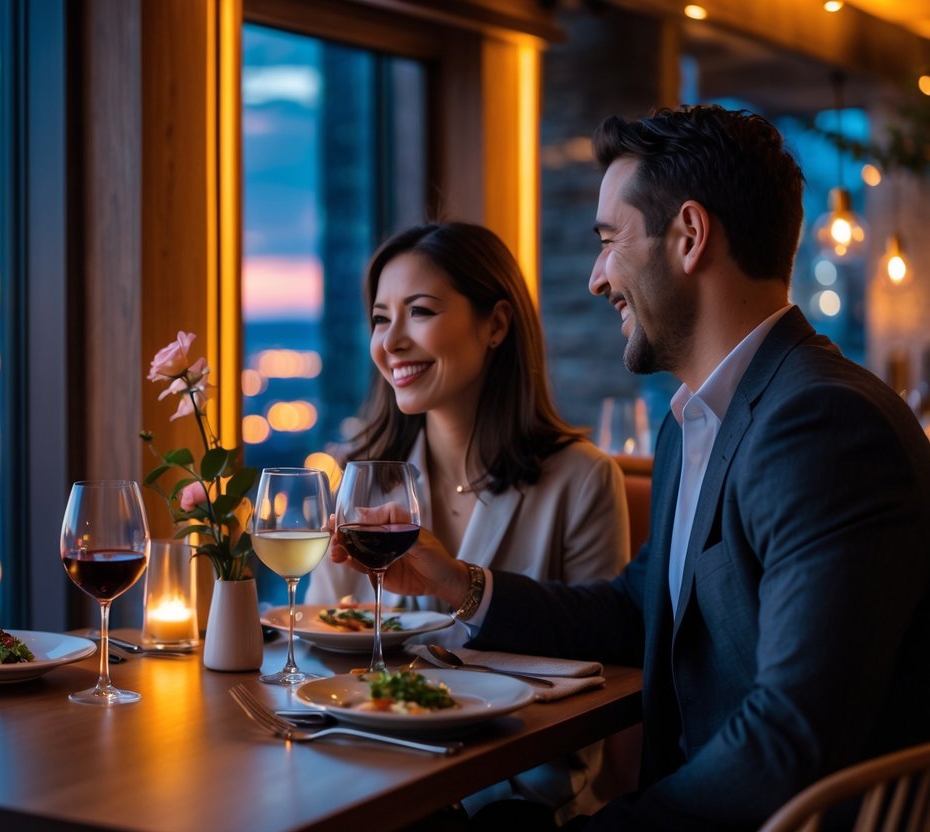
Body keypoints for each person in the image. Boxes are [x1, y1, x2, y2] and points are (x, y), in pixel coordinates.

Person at [329, 106, 930, 830]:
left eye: (610, 242)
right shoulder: (700, 421)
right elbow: (636, 611)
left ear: (688, 236)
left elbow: (789, 736)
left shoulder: (821, 427)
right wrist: (460, 584)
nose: (594, 279)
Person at [306, 221, 631, 821]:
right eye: (380, 319)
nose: (392, 341)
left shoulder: (582, 479)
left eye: (419, 312)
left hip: (518, 793)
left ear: (497, 325)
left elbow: (599, 674)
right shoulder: (362, 477)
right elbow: (327, 639)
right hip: (371, 774)